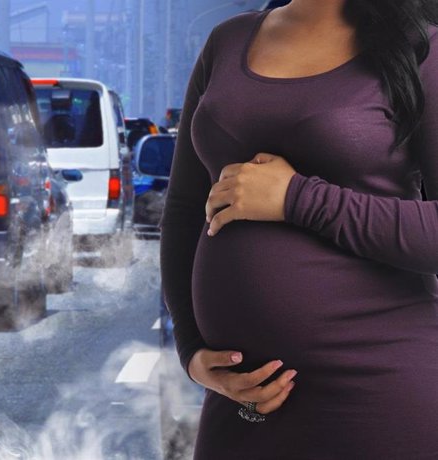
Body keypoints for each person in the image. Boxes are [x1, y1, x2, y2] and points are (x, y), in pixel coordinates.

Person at [160, 0, 438, 458]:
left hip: (380, 393)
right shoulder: (227, 42)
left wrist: (298, 199)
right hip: (245, 404)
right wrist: (190, 350)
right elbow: (186, 208)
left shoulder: (420, 48)